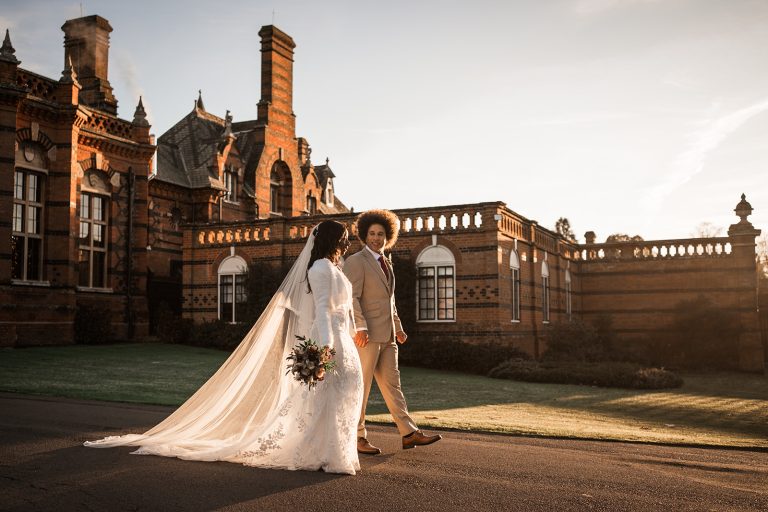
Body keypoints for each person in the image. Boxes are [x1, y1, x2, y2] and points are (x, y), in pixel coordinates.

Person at [85, 220, 364, 475]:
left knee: (340, 394)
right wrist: (326, 348)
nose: (347, 242)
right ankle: (323, 453)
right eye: (343, 238)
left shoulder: (335, 268)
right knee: (326, 396)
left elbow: (346, 309)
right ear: (332, 239)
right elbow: (323, 310)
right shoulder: (320, 269)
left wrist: (352, 334)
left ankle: (332, 451)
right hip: (330, 339)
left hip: (343, 340)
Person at [343, 209, 442, 454]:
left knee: (393, 386)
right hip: (366, 336)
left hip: (388, 336)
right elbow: (352, 298)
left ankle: (408, 433)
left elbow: (390, 301)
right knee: (362, 388)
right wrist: (360, 327)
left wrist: (398, 327)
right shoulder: (356, 261)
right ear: (364, 235)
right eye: (372, 233)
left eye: (381, 234)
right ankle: (357, 436)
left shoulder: (387, 262)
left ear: (388, 237)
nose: (376, 238)